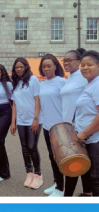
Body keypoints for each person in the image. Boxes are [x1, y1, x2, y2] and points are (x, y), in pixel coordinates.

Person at [60, 48, 93, 197]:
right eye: (64, 60)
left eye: (69, 60)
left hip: (78, 127)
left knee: (72, 162)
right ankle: (87, 193)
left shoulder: (83, 75)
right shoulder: (71, 77)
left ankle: (68, 197)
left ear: (78, 62)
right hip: (69, 125)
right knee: (80, 160)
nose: (66, 62)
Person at [10, 57, 43, 189]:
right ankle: (29, 173)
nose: (18, 69)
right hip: (21, 120)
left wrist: (36, 118)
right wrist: (13, 122)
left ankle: (38, 175)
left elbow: (37, 100)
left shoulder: (33, 80)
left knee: (32, 146)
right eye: (16, 67)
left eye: (21, 67)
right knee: (24, 147)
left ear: (26, 67)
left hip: (33, 119)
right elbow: (14, 104)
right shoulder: (16, 82)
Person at [39, 54, 68, 197]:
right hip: (47, 126)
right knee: (52, 156)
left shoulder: (62, 82)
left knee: (61, 157)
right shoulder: (42, 84)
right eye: (44, 66)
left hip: (60, 126)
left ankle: (61, 189)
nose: (46, 68)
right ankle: (57, 183)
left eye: (49, 65)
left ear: (56, 66)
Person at [72, 50, 99, 196]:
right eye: (82, 65)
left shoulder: (97, 85)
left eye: (89, 64)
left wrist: (84, 133)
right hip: (87, 139)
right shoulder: (89, 85)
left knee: (96, 179)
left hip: (95, 140)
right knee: (88, 174)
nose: (85, 67)